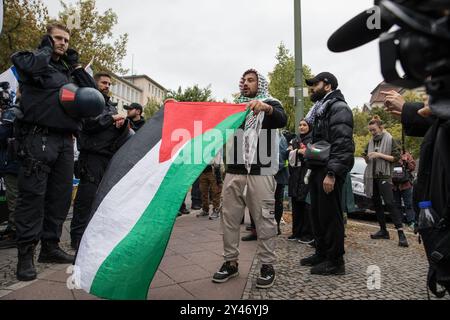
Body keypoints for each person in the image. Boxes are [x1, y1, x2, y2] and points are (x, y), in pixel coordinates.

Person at [11, 22, 97, 281]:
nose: (63, 43)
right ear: (47, 39)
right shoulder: (33, 60)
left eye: (66, 40)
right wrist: (45, 49)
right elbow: (25, 66)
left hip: (64, 141)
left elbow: (91, 93)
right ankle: (25, 256)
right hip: (38, 137)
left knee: (60, 198)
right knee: (33, 198)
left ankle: (49, 247)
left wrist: (76, 66)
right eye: (57, 38)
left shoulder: (66, 71)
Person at [212, 69, 287, 289]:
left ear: (260, 84)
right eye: (243, 80)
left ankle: (267, 265)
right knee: (229, 220)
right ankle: (230, 262)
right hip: (234, 172)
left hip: (261, 172)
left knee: (264, 220)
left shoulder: (271, 102)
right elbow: (210, 123)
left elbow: (282, 119)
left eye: (251, 80)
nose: (245, 83)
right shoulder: (235, 108)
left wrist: (266, 108)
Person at [300, 72, 354, 276]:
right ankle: (322, 253)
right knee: (317, 215)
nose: (312, 88)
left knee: (331, 216)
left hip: (328, 169)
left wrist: (332, 173)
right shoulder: (320, 110)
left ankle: (335, 261)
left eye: (316, 84)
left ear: (328, 86)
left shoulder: (338, 107)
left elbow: (343, 143)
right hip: (318, 168)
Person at [70, 72, 131, 250]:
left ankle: (97, 236)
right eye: (104, 83)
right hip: (92, 157)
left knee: (104, 200)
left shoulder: (110, 106)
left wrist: (121, 124)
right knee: (86, 199)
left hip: (108, 157)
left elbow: (113, 128)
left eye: (109, 84)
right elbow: (89, 124)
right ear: (95, 84)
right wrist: (111, 119)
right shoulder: (88, 101)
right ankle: (77, 238)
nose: (107, 86)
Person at [362, 116, 409, 248]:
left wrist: (379, 155)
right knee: (376, 203)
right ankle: (383, 230)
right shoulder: (371, 142)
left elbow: (396, 158)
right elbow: (366, 157)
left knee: (389, 203)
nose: (372, 133)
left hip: (385, 175)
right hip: (372, 176)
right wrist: (366, 157)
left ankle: (401, 234)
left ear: (381, 128)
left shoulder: (390, 139)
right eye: (370, 131)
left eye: (374, 130)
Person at [288, 119, 314, 244]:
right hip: (295, 175)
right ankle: (296, 232)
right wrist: (297, 151)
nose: (302, 127)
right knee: (296, 204)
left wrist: (304, 152)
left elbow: (314, 153)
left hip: (306, 174)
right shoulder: (295, 139)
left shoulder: (313, 139)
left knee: (306, 205)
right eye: (300, 125)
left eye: (304, 125)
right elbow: (287, 153)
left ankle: (307, 233)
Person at [392, 150, 416, 230]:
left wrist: (405, 161)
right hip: (394, 185)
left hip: (406, 184)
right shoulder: (390, 154)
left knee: (409, 204)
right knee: (396, 205)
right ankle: (399, 222)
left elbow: (412, 168)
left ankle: (411, 221)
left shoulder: (406, 154)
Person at [197, 152, 223, 220]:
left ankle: (216, 210)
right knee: (203, 191)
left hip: (213, 169)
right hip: (202, 169)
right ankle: (205, 209)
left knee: (215, 191)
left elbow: (218, 157)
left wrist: (218, 172)